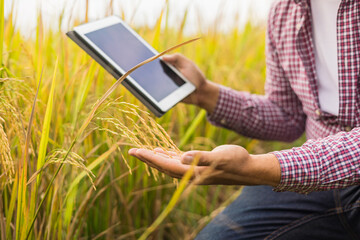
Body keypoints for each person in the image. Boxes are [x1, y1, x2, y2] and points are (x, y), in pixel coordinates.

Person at [129, 0, 360, 239]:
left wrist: (262, 168)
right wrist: (205, 93)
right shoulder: (284, 11)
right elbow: (287, 116)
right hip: (313, 183)